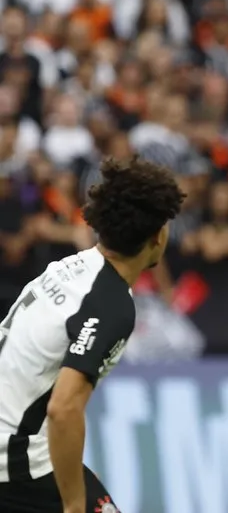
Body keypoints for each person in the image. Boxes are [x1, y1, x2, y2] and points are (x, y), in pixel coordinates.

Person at [0, 157, 185, 513]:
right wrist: (73, 505)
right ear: (158, 237)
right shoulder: (112, 305)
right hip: (16, 467)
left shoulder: (69, 268)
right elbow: (64, 408)